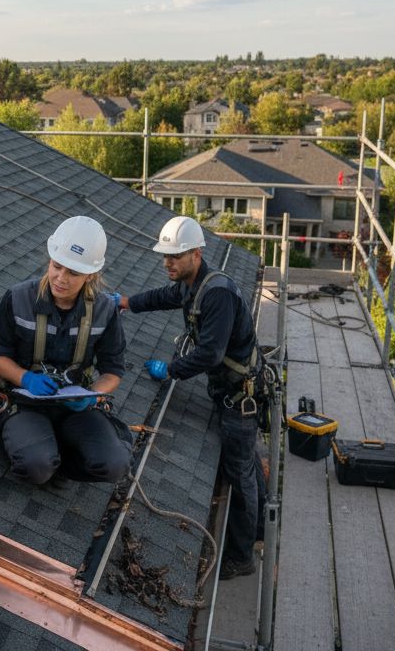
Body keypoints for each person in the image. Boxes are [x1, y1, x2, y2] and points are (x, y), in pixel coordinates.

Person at [118, 215, 262, 579]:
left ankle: (242, 556)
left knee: (239, 471)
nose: (167, 263)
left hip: (239, 399)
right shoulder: (191, 284)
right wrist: (126, 303)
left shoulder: (217, 294)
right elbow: (165, 296)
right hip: (229, 390)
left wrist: (171, 370)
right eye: (165, 256)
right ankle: (259, 530)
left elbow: (211, 354)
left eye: (175, 256)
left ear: (196, 254)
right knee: (246, 467)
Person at [0, 216, 130, 486]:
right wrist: (25, 378)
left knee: (115, 465)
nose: (60, 278)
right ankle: (38, 451)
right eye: (56, 266)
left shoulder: (104, 311)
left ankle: (59, 457)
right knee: (35, 467)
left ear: (91, 275)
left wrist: (91, 395)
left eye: (73, 273)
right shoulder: (18, 298)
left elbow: (113, 370)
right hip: (25, 401)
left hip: (73, 407)